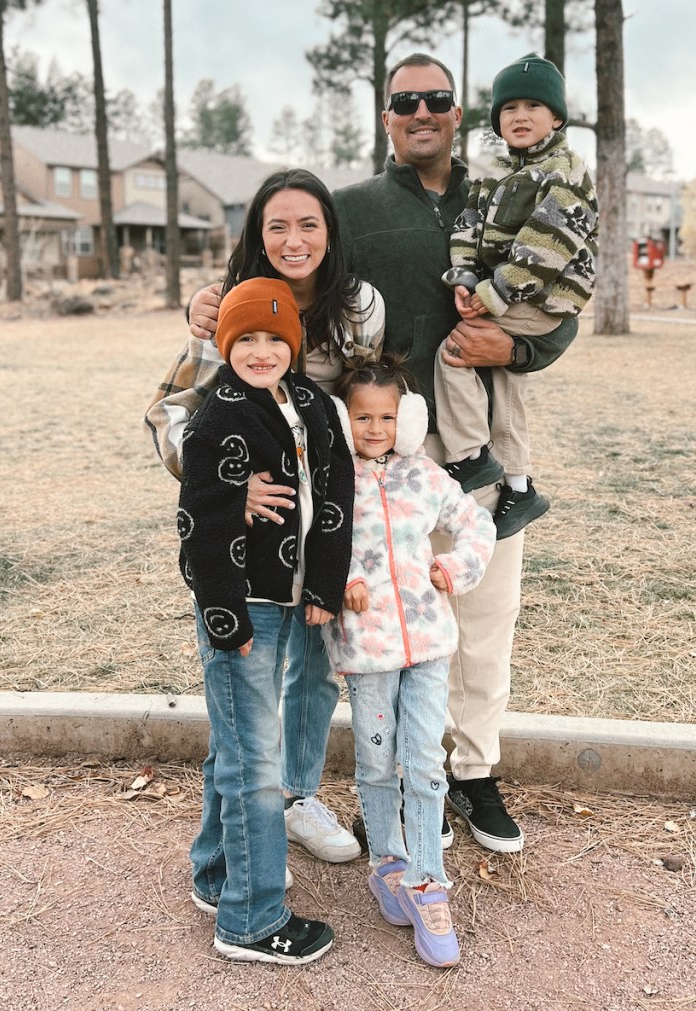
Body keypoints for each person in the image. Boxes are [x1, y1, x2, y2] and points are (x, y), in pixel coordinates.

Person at [331, 53, 580, 853]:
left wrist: (517, 348)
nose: (422, 111)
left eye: (437, 98)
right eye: (405, 100)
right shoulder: (352, 209)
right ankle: (413, 777)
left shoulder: (507, 189)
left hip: (488, 443)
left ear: (458, 111)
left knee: (486, 614)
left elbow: (562, 298)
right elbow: (306, 298)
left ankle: (474, 771)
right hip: (395, 449)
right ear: (387, 116)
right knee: (405, 622)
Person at [147, 169, 384, 865]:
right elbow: (170, 412)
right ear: (255, 235)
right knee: (245, 682)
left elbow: (368, 400)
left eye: (309, 223)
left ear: (331, 233)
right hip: (251, 536)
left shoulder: (358, 306)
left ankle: (297, 795)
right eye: (276, 225)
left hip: (327, 523)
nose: (293, 239)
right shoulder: (229, 305)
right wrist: (224, 484)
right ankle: (227, 838)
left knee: (317, 666)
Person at [178, 277, 354, 964]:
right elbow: (201, 522)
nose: (259, 351)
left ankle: (217, 874)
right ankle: (251, 918)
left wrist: (328, 585)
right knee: (255, 758)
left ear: (292, 343)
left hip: (294, 596)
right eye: (244, 338)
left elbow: (336, 495)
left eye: (272, 338)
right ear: (225, 344)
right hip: (241, 606)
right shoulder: (217, 414)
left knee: (235, 746)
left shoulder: (312, 402)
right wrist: (224, 617)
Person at [323, 357, 494, 968]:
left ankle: (428, 881)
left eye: (387, 416)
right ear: (344, 419)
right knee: (375, 758)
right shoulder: (330, 479)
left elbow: (476, 524)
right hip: (366, 650)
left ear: (409, 418)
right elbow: (313, 540)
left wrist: (453, 569)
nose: (375, 427)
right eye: (362, 416)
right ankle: (387, 861)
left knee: (423, 760)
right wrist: (339, 580)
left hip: (427, 644)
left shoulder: (426, 476)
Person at [436, 53, 598, 539]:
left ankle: (470, 456)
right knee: (507, 382)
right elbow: (467, 225)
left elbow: (543, 248)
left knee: (456, 353)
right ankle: (519, 485)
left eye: (533, 106)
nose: (520, 117)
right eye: (509, 109)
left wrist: (493, 294)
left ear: (557, 118)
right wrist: (464, 278)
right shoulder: (495, 172)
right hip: (504, 292)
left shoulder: (564, 171)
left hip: (543, 297)